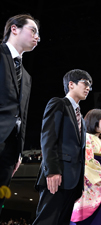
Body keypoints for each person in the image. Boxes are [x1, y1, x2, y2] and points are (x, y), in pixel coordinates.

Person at [33, 69, 92, 225]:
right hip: (57, 176)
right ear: (71, 84)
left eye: (90, 86)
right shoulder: (58, 103)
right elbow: (48, 138)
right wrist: (52, 170)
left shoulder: (81, 116)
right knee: (46, 221)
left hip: (73, 180)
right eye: (85, 83)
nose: (88, 88)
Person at [0, 14, 40, 214]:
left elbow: (22, 116)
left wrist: (19, 153)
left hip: (10, 149)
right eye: (33, 30)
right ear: (14, 29)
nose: (37, 37)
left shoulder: (27, 76)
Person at [70, 109, 101, 225]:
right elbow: (88, 161)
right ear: (93, 120)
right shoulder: (86, 137)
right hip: (91, 184)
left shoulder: (99, 141)